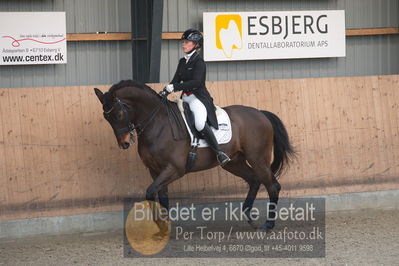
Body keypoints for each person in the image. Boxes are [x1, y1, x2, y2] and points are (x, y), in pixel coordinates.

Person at [162, 29, 230, 166]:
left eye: (186, 42)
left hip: (197, 98)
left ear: (196, 45)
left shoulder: (199, 62)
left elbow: (196, 82)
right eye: (183, 42)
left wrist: (174, 88)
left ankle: (219, 152)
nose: (183, 45)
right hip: (185, 98)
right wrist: (165, 92)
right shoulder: (182, 61)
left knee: (199, 123)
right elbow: (175, 80)